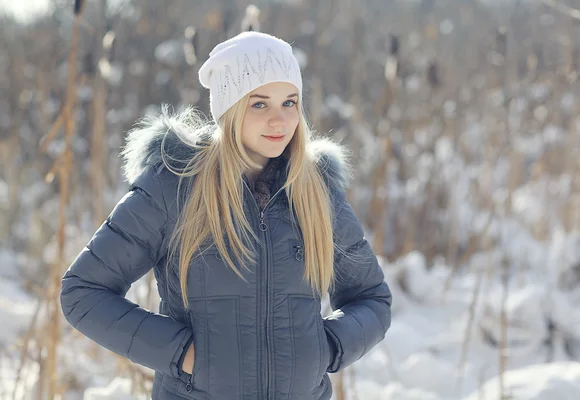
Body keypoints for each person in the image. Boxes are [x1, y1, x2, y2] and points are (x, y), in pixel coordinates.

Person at [60, 31, 392, 400]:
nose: (279, 121)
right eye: (259, 104)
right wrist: (181, 354)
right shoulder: (175, 187)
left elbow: (372, 298)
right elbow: (83, 292)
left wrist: (325, 349)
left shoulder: (314, 191)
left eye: (290, 102)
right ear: (229, 109)